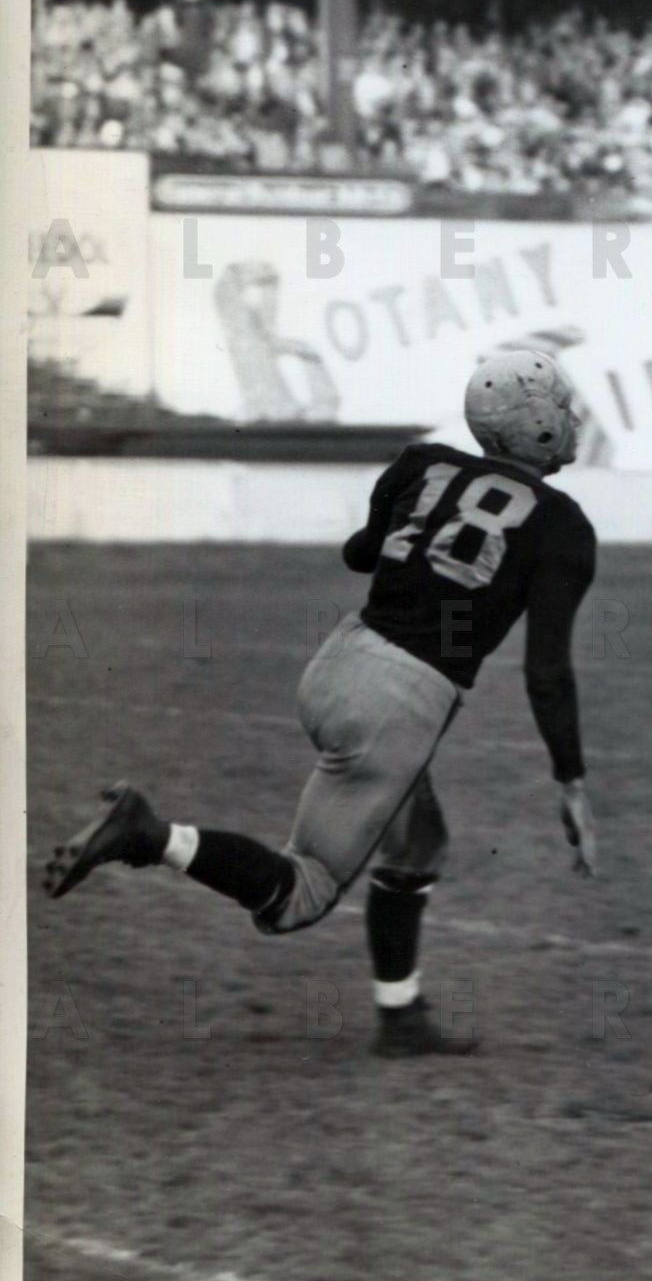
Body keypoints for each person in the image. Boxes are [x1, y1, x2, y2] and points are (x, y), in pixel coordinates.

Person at [44, 350, 599, 1057]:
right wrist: (571, 782)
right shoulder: (564, 527)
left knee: (418, 842)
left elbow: (360, 554)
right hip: (397, 704)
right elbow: (546, 673)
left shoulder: (420, 462)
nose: (570, 417)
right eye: (560, 405)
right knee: (296, 897)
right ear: (537, 425)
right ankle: (146, 833)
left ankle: (401, 1020)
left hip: (338, 663)